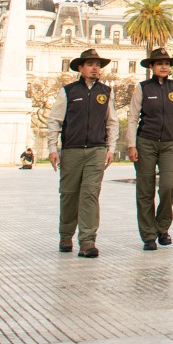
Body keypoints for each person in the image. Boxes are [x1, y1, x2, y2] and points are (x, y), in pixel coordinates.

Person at [48, 48, 119, 257]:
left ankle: (87, 240)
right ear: (80, 68)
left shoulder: (106, 92)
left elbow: (112, 122)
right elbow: (55, 121)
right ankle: (65, 234)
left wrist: (111, 149)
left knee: (90, 193)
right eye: (90, 64)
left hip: (96, 149)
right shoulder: (68, 91)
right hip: (71, 150)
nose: (95, 68)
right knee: (69, 194)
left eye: (97, 65)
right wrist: (53, 148)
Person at [129, 47, 173, 250]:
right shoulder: (143, 88)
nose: (164, 67)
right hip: (146, 141)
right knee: (145, 189)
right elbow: (133, 117)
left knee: (169, 186)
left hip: (170, 142)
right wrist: (131, 144)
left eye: (167, 63)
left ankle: (162, 227)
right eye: (159, 63)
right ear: (151, 66)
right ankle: (148, 235)